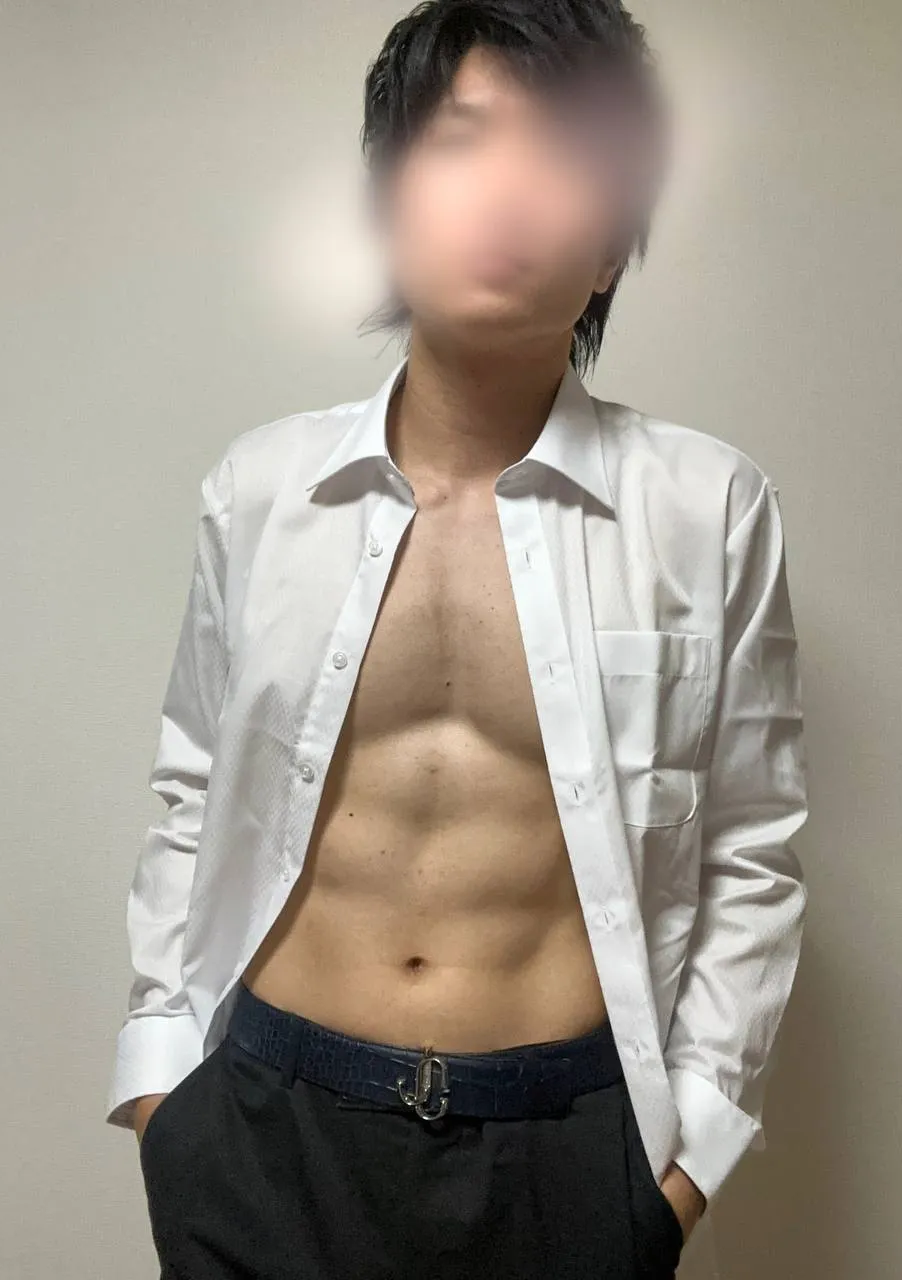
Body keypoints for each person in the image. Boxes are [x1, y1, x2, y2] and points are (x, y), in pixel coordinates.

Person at [105, 2, 809, 1277]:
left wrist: (683, 1166)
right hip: (263, 1126)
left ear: (612, 245)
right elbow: (193, 787)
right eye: (464, 140)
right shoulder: (260, 490)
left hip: (567, 1153)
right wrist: (166, 1094)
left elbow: (752, 847)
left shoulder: (710, 507)